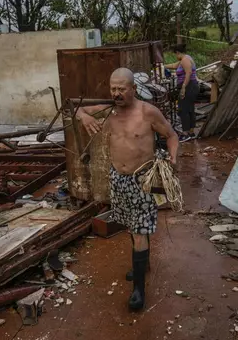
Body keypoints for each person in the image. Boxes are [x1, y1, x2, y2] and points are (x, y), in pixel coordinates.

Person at [76, 67, 179, 311]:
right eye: (113, 88)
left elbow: (172, 136)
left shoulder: (148, 112)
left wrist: (173, 159)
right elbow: (77, 109)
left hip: (144, 180)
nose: (117, 93)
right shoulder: (108, 110)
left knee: (140, 230)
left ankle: (138, 291)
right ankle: (143, 264)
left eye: (122, 89)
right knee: (132, 225)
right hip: (118, 179)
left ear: (133, 88)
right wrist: (84, 117)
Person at [164, 44, 200, 142]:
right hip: (191, 86)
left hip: (189, 86)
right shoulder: (184, 59)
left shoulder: (185, 60)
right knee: (190, 109)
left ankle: (185, 134)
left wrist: (183, 87)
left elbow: (188, 73)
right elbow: (173, 66)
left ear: (178, 52)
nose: (176, 56)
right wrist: (162, 66)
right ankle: (191, 132)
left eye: (175, 54)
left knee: (183, 110)